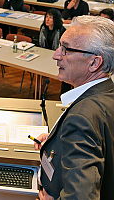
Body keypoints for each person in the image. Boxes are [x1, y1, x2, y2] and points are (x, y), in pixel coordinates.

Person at [35, 15, 114, 200]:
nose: (56, 55)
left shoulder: (82, 118)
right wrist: (57, 142)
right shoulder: (107, 93)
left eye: (66, 49)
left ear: (94, 63)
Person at [38, 8, 70, 94]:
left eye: (50, 17)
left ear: (55, 19)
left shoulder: (62, 31)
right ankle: (40, 91)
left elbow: (64, 48)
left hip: (59, 57)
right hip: (45, 56)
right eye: (46, 17)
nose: (47, 19)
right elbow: (41, 44)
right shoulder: (43, 28)